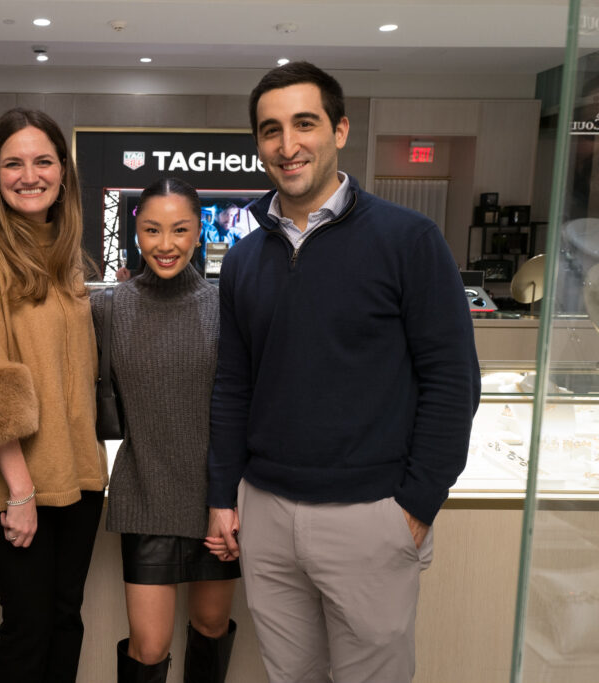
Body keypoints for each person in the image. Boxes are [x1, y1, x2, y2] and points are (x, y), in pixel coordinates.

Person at [205, 61, 481, 683]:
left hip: (372, 514)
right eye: (271, 130)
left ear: (340, 130)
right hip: (266, 515)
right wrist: (223, 495)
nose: (288, 144)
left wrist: (417, 504)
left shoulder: (409, 240)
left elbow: (453, 381)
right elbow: (233, 386)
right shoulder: (244, 259)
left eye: (305, 123)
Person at [0, 107, 107, 683]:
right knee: (30, 628)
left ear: (63, 172)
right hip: (15, 484)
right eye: (12, 163)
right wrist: (20, 491)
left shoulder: (65, 250)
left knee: (66, 621)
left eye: (43, 161)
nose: (29, 175)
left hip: (78, 476)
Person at [92, 177, 238, 683]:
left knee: (211, 626)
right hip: (144, 495)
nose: (166, 244)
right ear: (137, 232)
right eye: (152, 230)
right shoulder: (110, 308)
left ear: (199, 232)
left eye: (180, 229)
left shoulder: (224, 308)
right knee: (149, 646)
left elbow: (242, 408)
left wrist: (231, 499)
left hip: (213, 501)